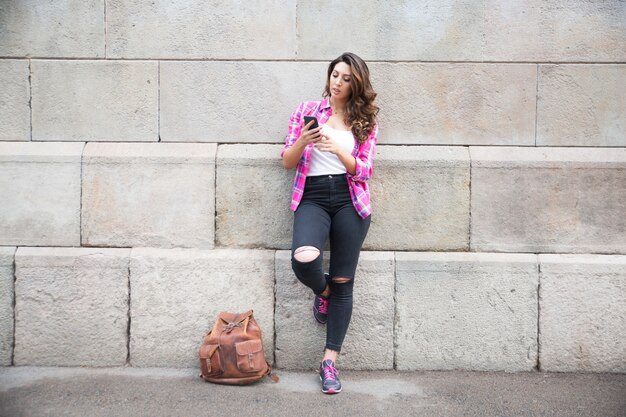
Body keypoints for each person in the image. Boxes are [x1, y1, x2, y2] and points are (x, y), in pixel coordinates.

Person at [281, 52, 379, 394]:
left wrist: (338, 149)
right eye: (335, 75)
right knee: (304, 257)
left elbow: (364, 170)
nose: (337, 82)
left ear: (356, 84)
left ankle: (329, 362)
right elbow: (287, 162)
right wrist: (303, 141)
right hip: (312, 197)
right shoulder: (307, 110)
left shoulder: (363, 121)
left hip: (349, 199)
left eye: (346, 78)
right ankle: (322, 291)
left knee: (344, 279)